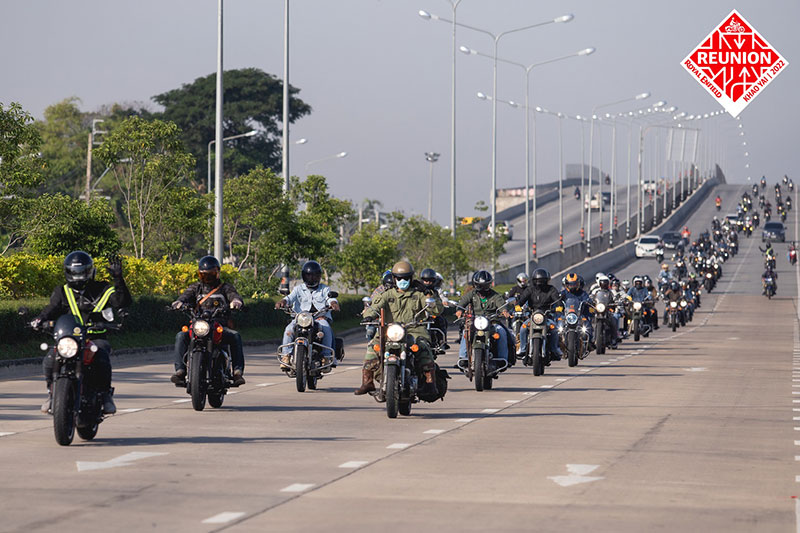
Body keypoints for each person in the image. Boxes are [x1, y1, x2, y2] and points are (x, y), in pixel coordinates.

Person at [32, 251, 132, 415]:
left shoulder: (102, 289)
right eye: (74, 272)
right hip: (69, 339)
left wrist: (118, 279)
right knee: (50, 359)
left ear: (90, 271)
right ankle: (52, 393)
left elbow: (122, 301)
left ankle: (105, 395)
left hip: (94, 337)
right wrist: (39, 320)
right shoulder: (62, 291)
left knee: (101, 355)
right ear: (67, 272)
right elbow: (51, 309)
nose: (78, 276)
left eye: (81, 272)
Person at [355, 261, 443, 396]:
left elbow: (437, 310)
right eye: (399, 278)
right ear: (394, 278)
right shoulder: (387, 294)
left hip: (414, 329)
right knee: (373, 346)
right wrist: (369, 316)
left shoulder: (419, 294)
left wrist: (428, 294)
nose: (403, 281)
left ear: (411, 278)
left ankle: (430, 383)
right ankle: (367, 382)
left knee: (423, 348)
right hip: (390, 330)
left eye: (406, 278)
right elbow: (375, 306)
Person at [170, 256, 246, 387]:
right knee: (181, 335)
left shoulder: (225, 287)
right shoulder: (196, 288)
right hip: (199, 325)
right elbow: (185, 296)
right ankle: (180, 371)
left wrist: (236, 302)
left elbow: (234, 296)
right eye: (204, 275)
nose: (207, 278)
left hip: (218, 325)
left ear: (217, 273)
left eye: (210, 274)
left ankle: (237, 372)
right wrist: (179, 302)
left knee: (235, 336)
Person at [276, 260, 340, 371]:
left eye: (314, 275)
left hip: (319, 317)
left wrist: (333, 303)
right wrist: (283, 302)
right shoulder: (298, 289)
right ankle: (286, 356)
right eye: (308, 275)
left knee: (326, 328)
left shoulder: (324, 289)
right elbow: (290, 298)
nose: (311, 278)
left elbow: (330, 298)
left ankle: (326, 356)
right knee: (289, 329)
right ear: (304, 276)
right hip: (301, 318)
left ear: (319, 276)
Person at [454, 270, 513, 370]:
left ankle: (503, 359)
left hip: (492, 321)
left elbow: (501, 304)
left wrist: (504, 311)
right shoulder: (472, 294)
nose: (482, 288)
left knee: (502, 332)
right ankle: (463, 358)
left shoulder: (495, 295)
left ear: (489, 285)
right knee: (466, 332)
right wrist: (459, 310)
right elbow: (463, 302)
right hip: (475, 321)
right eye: (480, 285)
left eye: (485, 285)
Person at [516, 268, 562, 359]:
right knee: (523, 328)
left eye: (542, 280)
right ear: (534, 280)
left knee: (554, 329)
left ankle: (555, 349)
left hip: (547, 316)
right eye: (537, 280)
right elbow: (522, 299)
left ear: (546, 280)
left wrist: (559, 306)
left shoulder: (551, 289)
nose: (540, 283)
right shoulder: (530, 289)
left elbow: (557, 300)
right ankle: (522, 348)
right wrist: (518, 306)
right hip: (532, 316)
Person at [419, 268, 449, 350]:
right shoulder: (419, 290)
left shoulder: (437, 290)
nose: (427, 283)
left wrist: (445, 301)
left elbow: (442, 297)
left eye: (430, 281)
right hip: (421, 314)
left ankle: (442, 342)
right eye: (425, 280)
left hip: (433, 313)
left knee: (442, 321)